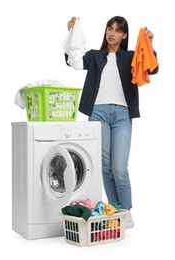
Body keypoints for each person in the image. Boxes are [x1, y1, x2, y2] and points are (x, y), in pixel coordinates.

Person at [65, 16, 159, 228]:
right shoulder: (96, 56)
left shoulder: (130, 57)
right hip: (98, 113)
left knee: (119, 167)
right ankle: (115, 211)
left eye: (117, 30)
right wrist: (71, 32)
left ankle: (126, 211)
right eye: (109, 28)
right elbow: (74, 60)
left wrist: (150, 44)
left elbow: (152, 68)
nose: (112, 33)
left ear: (124, 35)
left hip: (122, 115)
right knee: (106, 168)